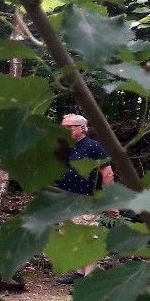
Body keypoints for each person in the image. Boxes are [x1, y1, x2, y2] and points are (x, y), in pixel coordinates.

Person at [55, 114, 116, 283]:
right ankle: (80, 273)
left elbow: (108, 173)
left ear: (82, 128)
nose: (65, 130)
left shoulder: (93, 147)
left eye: (69, 127)